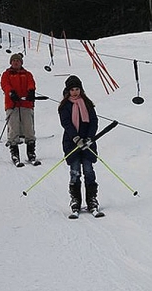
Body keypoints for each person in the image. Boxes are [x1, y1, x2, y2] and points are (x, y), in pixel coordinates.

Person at [58, 75, 100, 216]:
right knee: (75, 171)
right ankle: (75, 200)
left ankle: (92, 200)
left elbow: (93, 121)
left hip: (87, 143)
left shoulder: (87, 104)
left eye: (77, 89)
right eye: (72, 90)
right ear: (68, 91)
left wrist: (89, 137)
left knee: (89, 170)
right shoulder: (65, 106)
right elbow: (66, 123)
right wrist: (76, 138)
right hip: (72, 143)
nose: (75, 92)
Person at [0, 52, 37, 165]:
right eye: (14, 61)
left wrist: (31, 91)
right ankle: (14, 152)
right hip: (12, 104)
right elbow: (5, 85)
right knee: (13, 128)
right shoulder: (7, 74)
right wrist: (11, 92)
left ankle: (31, 152)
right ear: (11, 63)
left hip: (26, 104)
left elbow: (31, 83)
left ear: (21, 62)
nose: (16, 63)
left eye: (18, 61)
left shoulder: (27, 74)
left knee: (28, 128)